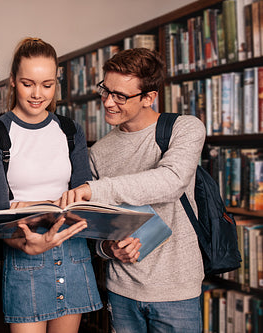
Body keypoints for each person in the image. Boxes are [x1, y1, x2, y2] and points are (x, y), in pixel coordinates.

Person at [59, 48, 205, 332]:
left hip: (177, 291)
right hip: (121, 290)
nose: (108, 102)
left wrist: (93, 189)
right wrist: (109, 249)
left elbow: (170, 181)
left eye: (120, 96)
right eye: (105, 90)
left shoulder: (185, 129)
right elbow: (96, 229)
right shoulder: (98, 152)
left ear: (149, 97)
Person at [0, 37, 101, 333]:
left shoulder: (70, 131)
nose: (37, 94)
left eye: (47, 84)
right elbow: (0, 215)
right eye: (28, 83)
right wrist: (49, 205)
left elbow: (81, 199)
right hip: (24, 256)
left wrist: (25, 206)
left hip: (73, 254)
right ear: (12, 82)